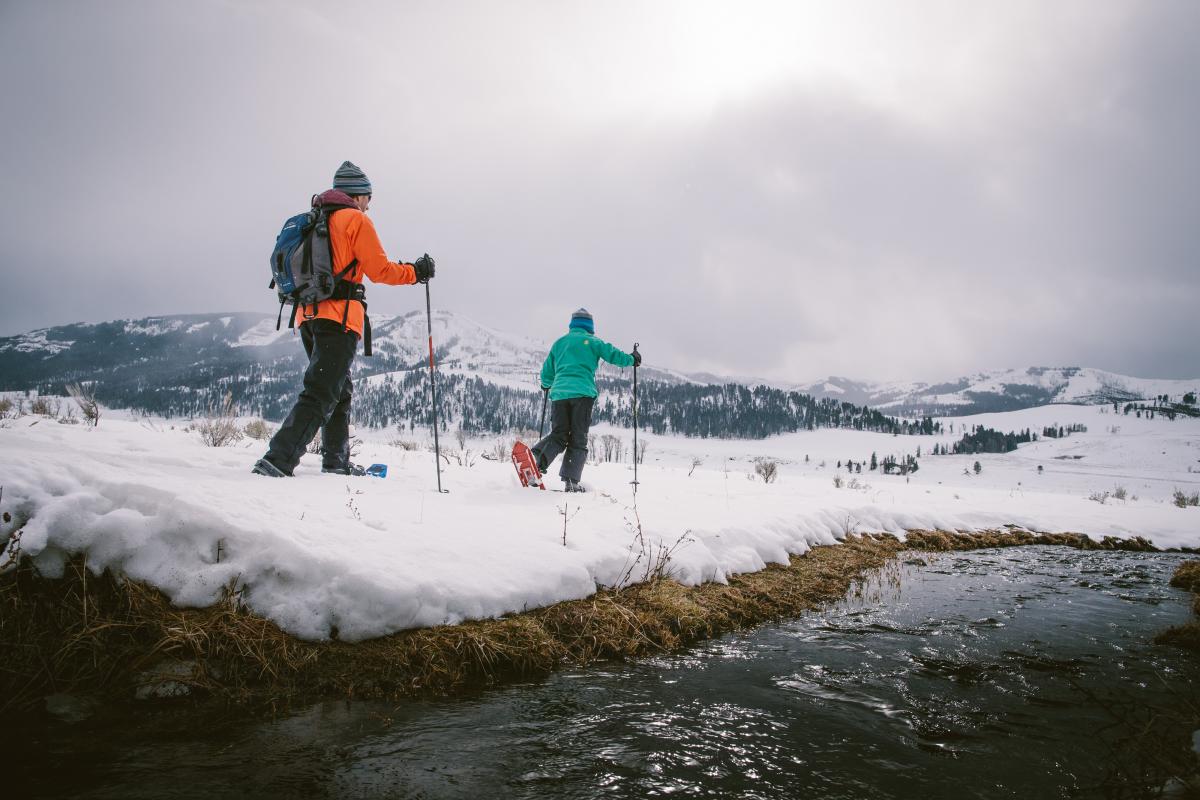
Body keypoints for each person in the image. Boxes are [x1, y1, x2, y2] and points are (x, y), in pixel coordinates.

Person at [252, 161, 434, 477]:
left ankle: (336, 462)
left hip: (308, 315)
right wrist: (415, 272)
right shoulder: (355, 221)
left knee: (338, 389)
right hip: (339, 317)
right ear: (358, 195)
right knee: (322, 391)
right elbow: (380, 271)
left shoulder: (315, 219)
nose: (368, 204)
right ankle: (277, 460)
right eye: (368, 197)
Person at [531, 308, 640, 492]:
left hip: (559, 395)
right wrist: (632, 359)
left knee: (559, 434)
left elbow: (547, 371)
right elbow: (613, 354)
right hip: (582, 394)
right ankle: (571, 481)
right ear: (590, 327)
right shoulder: (593, 342)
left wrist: (546, 384)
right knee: (578, 437)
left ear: (572, 325)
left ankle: (536, 459)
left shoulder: (559, 343)